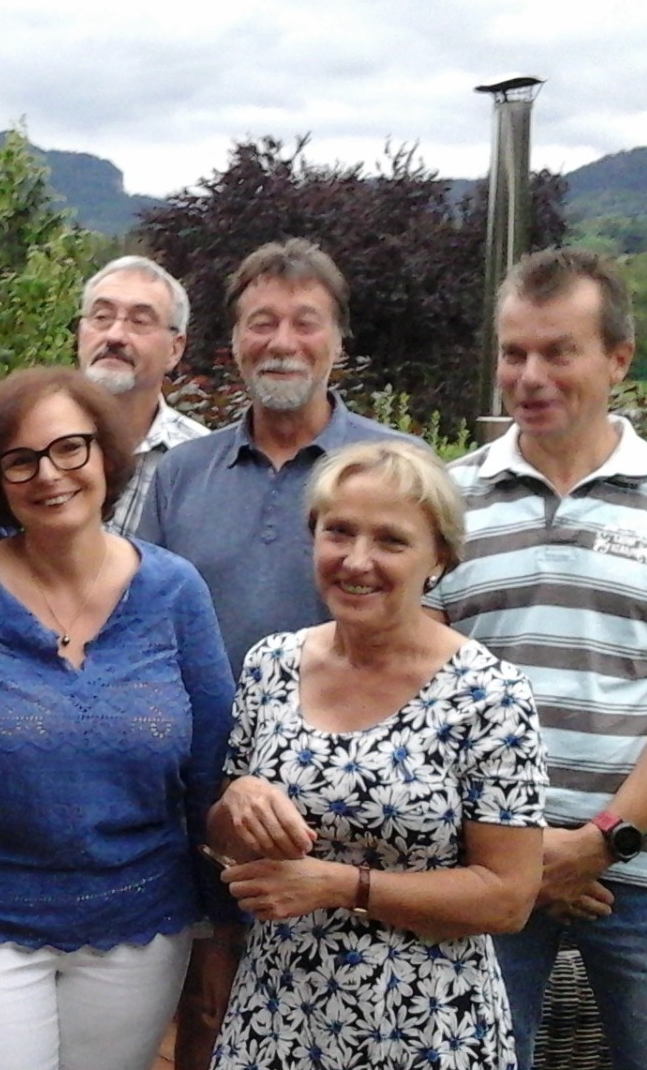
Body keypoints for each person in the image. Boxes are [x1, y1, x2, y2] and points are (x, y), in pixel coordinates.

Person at [426, 248, 647, 1070]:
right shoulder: (444, 501)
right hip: (483, 862)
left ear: (617, 359)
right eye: (514, 352)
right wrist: (512, 849)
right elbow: (419, 692)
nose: (530, 375)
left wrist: (600, 841)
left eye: (558, 351)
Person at [0, 367, 233, 1070]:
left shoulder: (175, 591)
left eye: (71, 447)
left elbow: (210, 772)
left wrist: (223, 928)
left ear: (106, 455)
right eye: (22, 459)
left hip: (139, 928)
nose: (50, 474)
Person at [133, 238, 423, 1068]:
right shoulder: (182, 473)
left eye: (306, 322)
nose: (283, 341)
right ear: (233, 343)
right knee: (205, 1017)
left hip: (347, 810)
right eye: (263, 323)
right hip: (200, 804)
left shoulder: (393, 466)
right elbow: (146, 633)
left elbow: (429, 639)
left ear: (338, 341)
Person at [206, 440, 546, 1069]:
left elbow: (508, 896)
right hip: (278, 1018)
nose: (357, 561)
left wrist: (340, 885)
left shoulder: (488, 694)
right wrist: (237, 800)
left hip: (427, 1028)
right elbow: (228, 843)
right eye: (339, 532)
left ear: (438, 558)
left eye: (390, 541)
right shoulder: (271, 664)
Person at [74, 255, 210, 535]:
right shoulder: (32, 440)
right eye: (101, 317)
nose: (115, 335)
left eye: (139, 321)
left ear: (175, 349)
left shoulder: (204, 462)